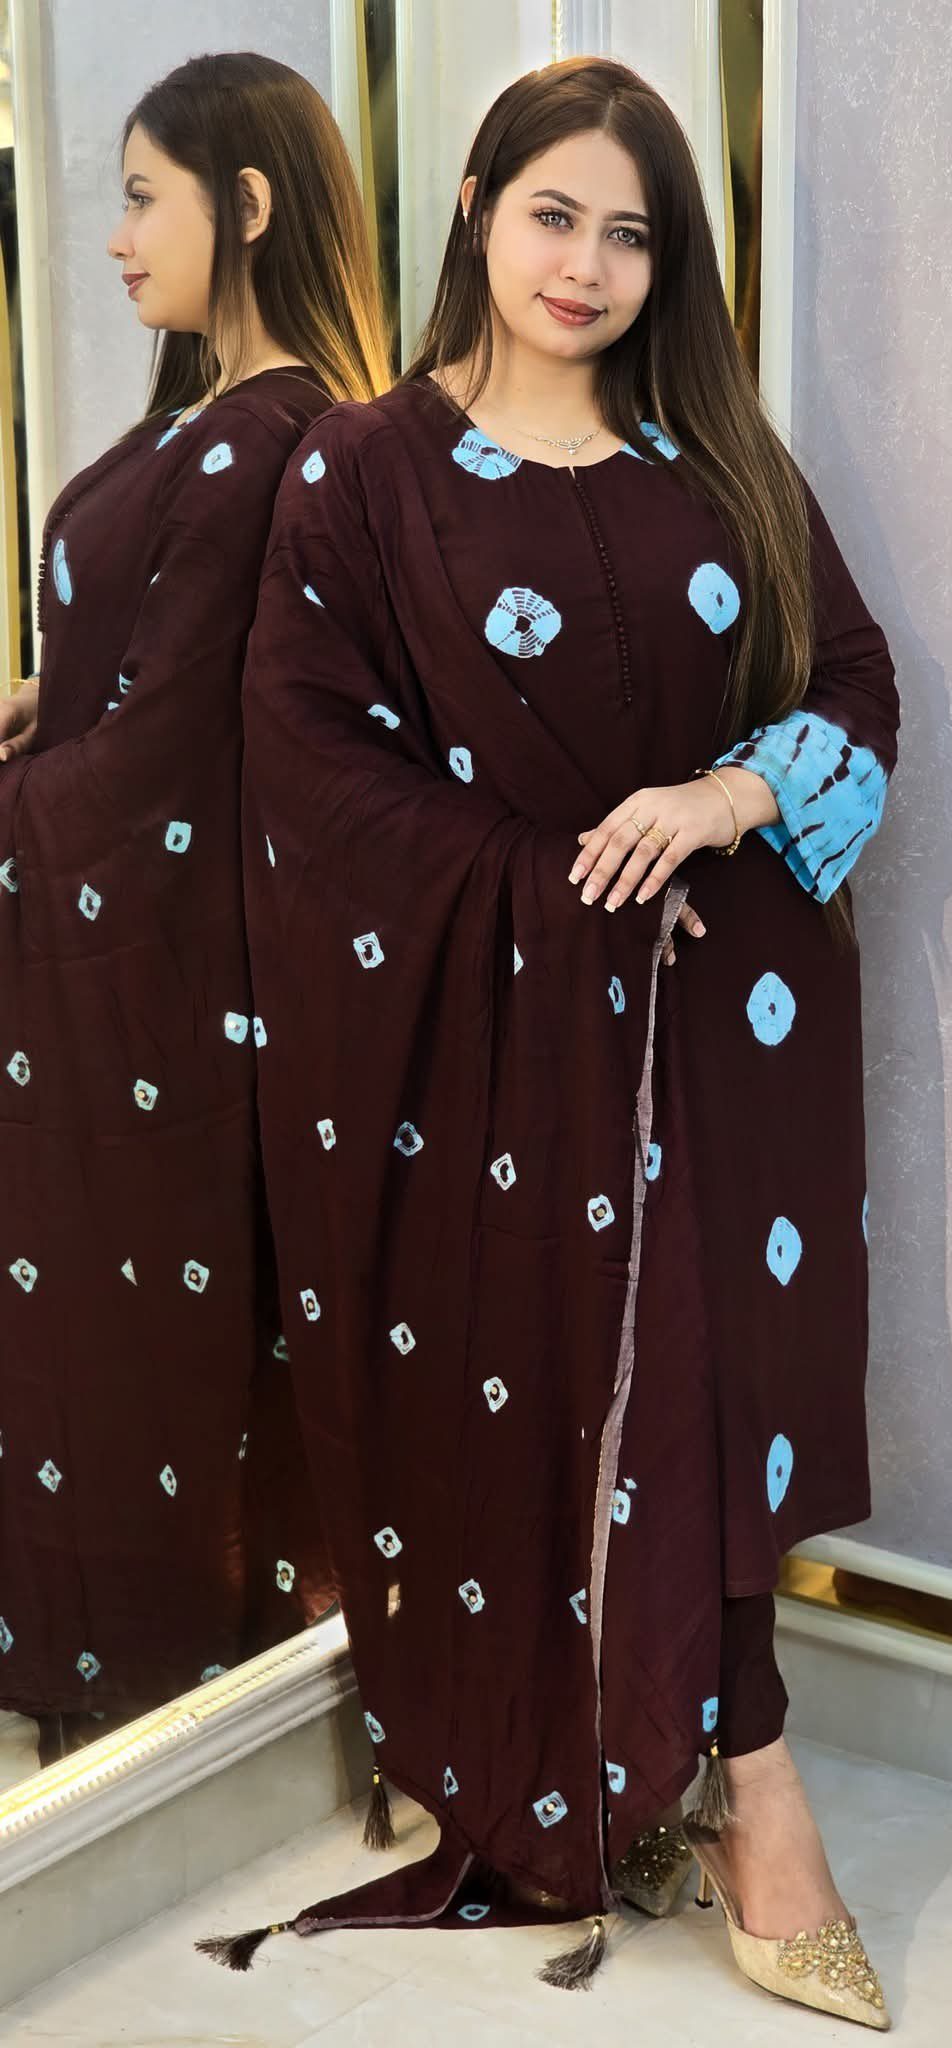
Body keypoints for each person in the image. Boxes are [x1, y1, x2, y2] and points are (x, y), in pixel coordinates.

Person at [225, 57, 897, 2030]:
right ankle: (686, 1774)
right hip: (503, 1034)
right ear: (474, 212)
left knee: (718, 1371)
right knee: (579, 1376)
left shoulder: (716, 461)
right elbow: (303, 751)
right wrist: (539, 885)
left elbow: (853, 685)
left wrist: (725, 796)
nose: (586, 264)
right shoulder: (363, 472)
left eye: (630, 233)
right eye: (552, 214)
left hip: (732, 1016)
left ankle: (725, 1770)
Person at [0, 53, 389, 1748]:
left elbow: (169, 754)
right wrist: (50, 699)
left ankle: (154, 1688)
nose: (115, 237)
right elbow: (143, 675)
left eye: (143, 197)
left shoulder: (272, 439)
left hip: (167, 973)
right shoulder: (206, 423)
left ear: (245, 205)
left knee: (139, 1331)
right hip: (127, 959)